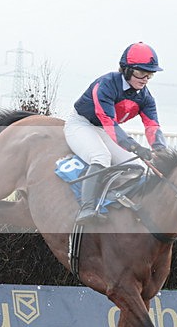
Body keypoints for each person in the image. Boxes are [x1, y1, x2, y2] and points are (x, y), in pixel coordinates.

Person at [64, 42, 167, 224]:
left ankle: (114, 201)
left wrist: (160, 150)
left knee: (140, 166)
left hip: (103, 129)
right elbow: (108, 122)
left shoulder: (145, 97)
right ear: (127, 70)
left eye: (149, 75)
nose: (145, 79)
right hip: (81, 124)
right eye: (141, 72)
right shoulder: (106, 84)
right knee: (100, 156)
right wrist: (134, 146)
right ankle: (86, 209)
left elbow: (152, 125)